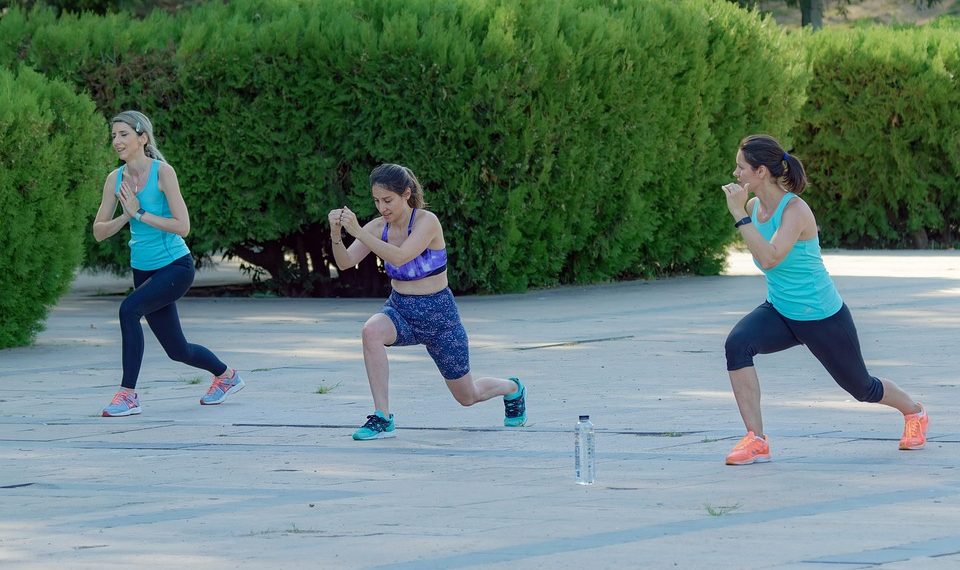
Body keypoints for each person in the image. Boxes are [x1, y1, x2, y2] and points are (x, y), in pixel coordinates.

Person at [720, 134, 928, 465]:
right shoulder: (757, 207)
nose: (735, 174)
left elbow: (771, 257)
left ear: (761, 172)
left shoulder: (796, 210)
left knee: (863, 389)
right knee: (737, 345)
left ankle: (915, 413)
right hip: (781, 312)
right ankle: (756, 439)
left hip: (822, 316)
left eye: (741, 167)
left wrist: (739, 216)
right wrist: (745, 214)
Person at [328, 163, 526, 440]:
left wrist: (358, 231)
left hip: (439, 316)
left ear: (406, 194)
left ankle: (512, 388)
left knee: (467, 396)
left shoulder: (427, 222)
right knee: (371, 330)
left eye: (388, 200)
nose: (382, 207)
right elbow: (346, 262)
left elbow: (400, 256)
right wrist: (337, 234)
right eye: (376, 201)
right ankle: (382, 416)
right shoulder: (376, 227)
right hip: (401, 310)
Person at [92, 110, 244, 417]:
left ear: (142, 137)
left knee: (128, 310)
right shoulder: (115, 179)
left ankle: (128, 395)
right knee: (178, 350)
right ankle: (227, 376)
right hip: (143, 270)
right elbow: (98, 232)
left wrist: (141, 214)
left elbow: (183, 225)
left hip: (175, 266)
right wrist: (127, 213)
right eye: (113, 136)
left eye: (124, 134)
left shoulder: (163, 173)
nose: (117, 141)